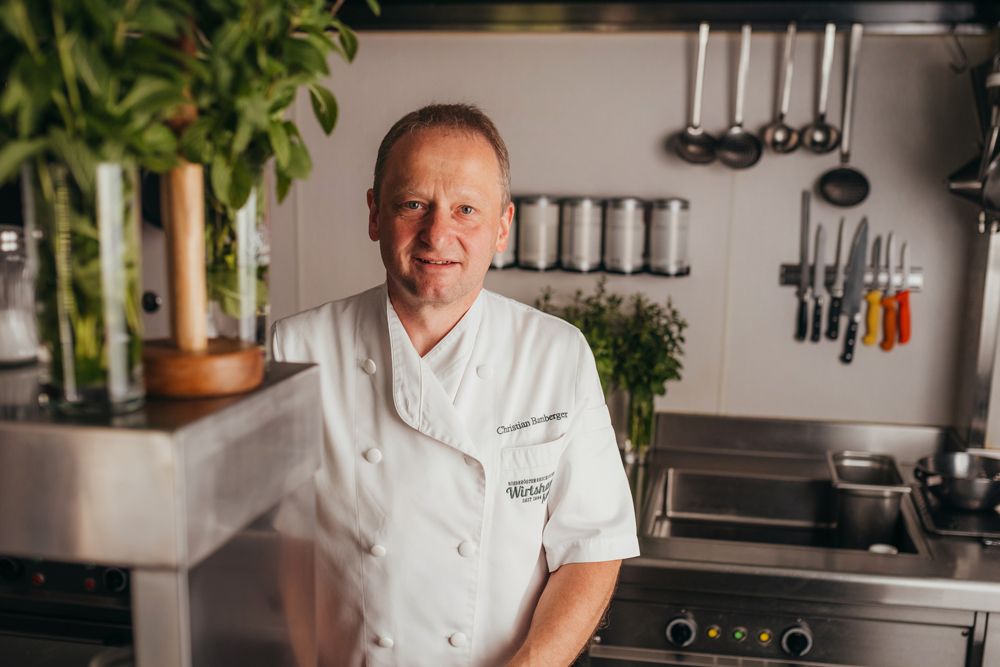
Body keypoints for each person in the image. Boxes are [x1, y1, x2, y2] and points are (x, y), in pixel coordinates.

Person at [270, 103, 639, 666]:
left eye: (466, 209)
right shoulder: (295, 351)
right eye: (413, 204)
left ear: (502, 228)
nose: (437, 233)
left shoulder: (556, 355)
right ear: (374, 214)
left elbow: (592, 549)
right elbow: (261, 557)